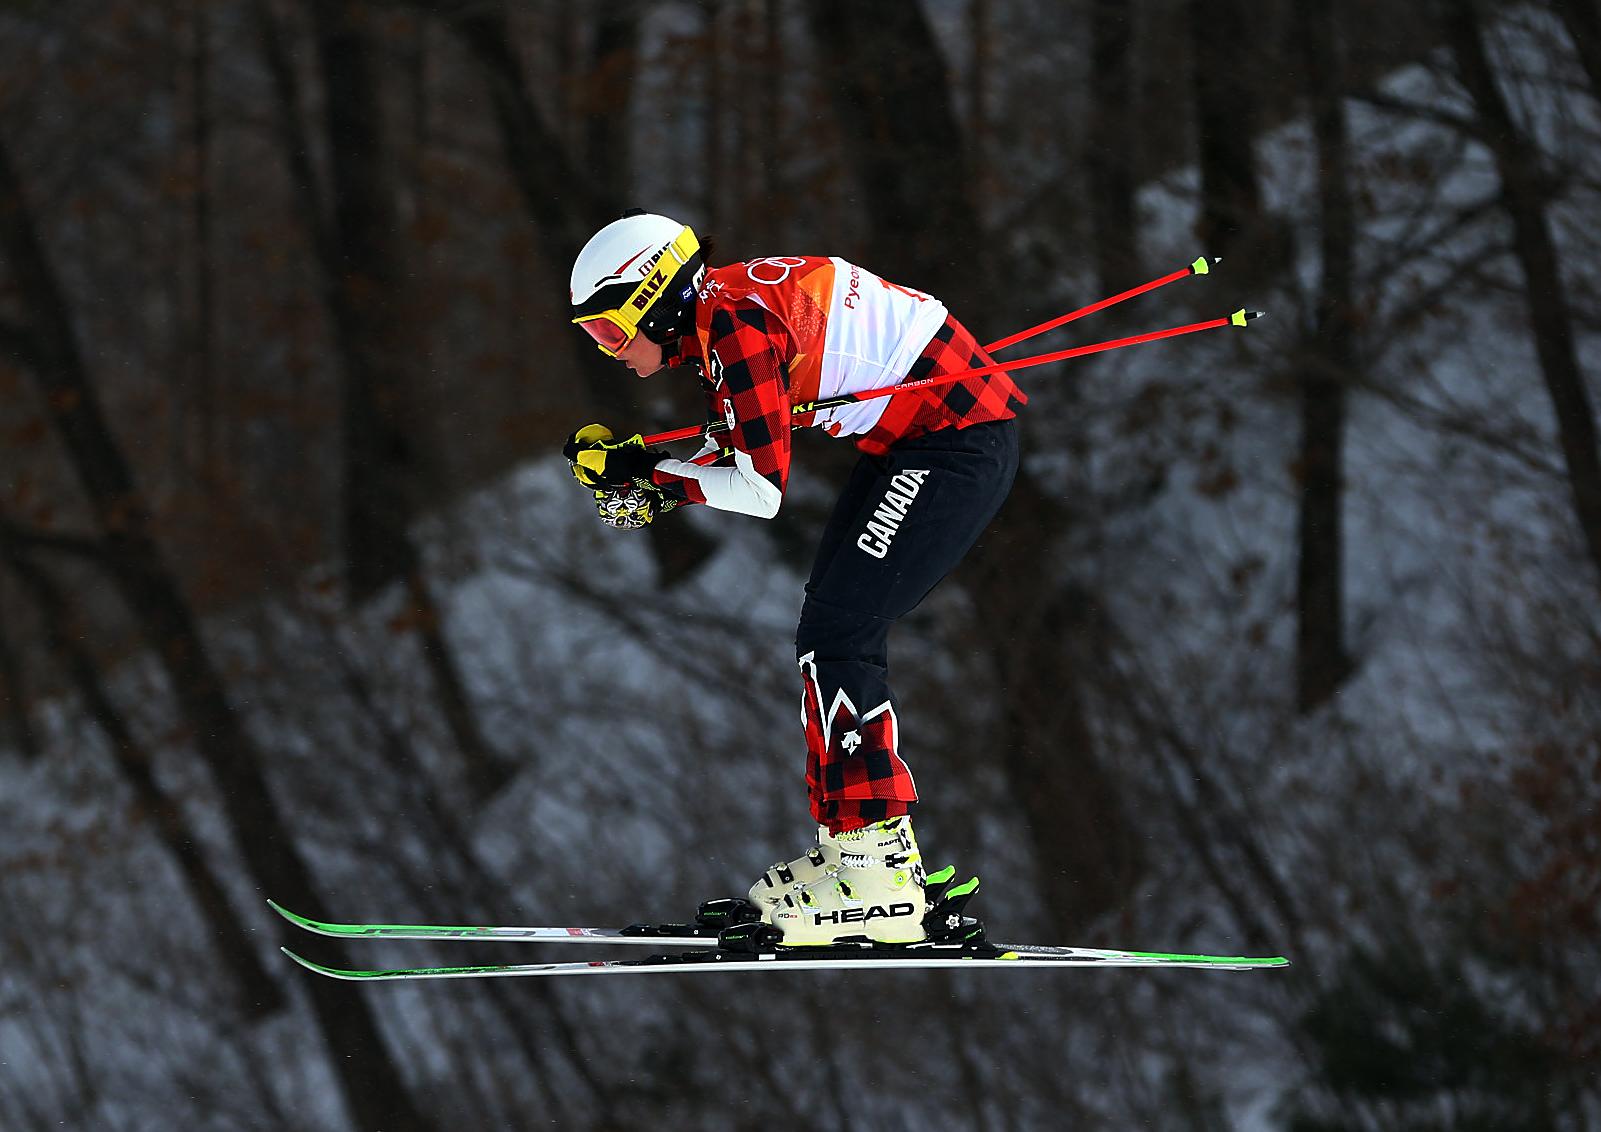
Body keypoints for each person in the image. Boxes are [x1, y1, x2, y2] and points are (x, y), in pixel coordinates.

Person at [563, 209, 1024, 946]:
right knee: (827, 634)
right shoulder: (726, 312)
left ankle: (875, 869)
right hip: (919, 441)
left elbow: (761, 490)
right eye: (593, 338)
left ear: (651, 297)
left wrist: (649, 476)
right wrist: (642, 470)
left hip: (953, 443)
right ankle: (861, 850)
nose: (608, 351)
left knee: (840, 634)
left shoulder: (737, 330)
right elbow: (739, 446)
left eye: (611, 331)